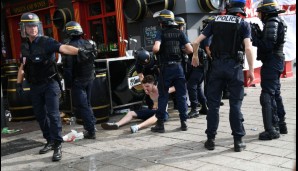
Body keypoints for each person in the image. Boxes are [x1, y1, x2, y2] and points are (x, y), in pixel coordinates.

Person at [16, 12, 92, 161]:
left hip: (50, 84)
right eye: (29, 26)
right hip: (35, 86)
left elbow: (63, 48)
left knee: (53, 114)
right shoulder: (24, 47)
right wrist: (18, 83)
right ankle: (49, 140)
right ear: (23, 29)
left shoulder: (46, 41)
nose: (33, 29)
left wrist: (80, 51)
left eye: (35, 26)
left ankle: (58, 145)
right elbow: (22, 66)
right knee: (40, 115)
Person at [192, 0, 255, 152]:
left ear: (228, 8)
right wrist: (251, 70)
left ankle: (210, 140)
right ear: (241, 9)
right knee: (235, 104)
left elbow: (195, 42)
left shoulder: (215, 21)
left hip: (216, 67)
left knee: (213, 105)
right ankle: (238, 141)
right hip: (234, 68)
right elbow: (248, 48)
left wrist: (195, 56)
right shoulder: (243, 23)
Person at [151, 9, 193, 133]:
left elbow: (155, 49)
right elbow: (190, 50)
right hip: (179, 68)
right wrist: (180, 51)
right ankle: (184, 122)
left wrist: (157, 49)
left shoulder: (161, 33)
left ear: (162, 22)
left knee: (163, 96)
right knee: (181, 95)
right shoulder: (180, 33)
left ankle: (160, 124)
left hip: (166, 68)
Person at [251, 0, 288, 140]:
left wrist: (254, 38)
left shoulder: (272, 22)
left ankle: (271, 129)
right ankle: (281, 124)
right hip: (275, 61)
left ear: (266, 12)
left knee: (267, 95)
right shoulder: (275, 21)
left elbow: (267, 46)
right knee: (275, 93)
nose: (259, 15)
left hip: (272, 61)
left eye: (260, 12)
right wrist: (259, 34)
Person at [101, 75, 174, 133]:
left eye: (148, 86)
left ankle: (138, 127)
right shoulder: (148, 91)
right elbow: (155, 100)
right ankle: (117, 124)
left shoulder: (161, 90)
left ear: (153, 84)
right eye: (145, 87)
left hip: (163, 113)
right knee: (130, 113)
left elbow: (175, 88)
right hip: (153, 111)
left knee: (157, 115)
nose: (146, 88)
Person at [62, 21, 97, 139]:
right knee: (87, 103)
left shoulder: (68, 47)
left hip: (78, 81)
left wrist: (68, 84)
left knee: (83, 106)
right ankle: (92, 124)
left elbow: (67, 68)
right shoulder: (89, 43)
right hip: (89, 77)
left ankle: (90, 131)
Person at [181, 17, 209, 119]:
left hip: (198, 63)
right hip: (199, 63)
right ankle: (204, 107)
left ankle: (194, 109)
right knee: (196, 86)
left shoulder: (181, 35)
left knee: (192, 85)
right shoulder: (181, 35)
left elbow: (190, 49)